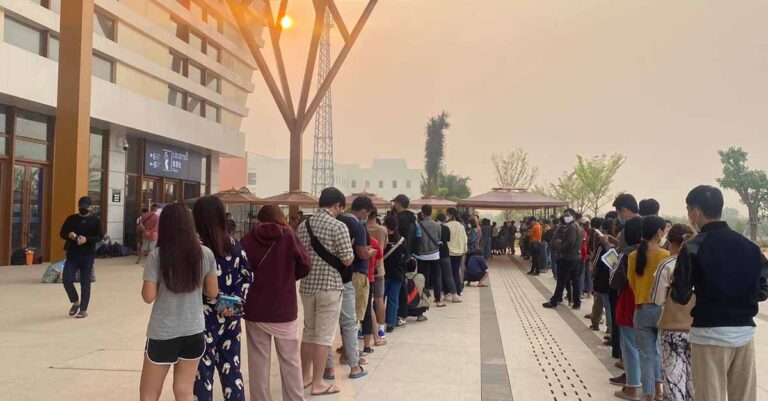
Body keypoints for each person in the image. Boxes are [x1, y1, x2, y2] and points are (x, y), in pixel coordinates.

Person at [671, 185, 767, 401]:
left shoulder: (693, 247)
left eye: (688, 209)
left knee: (709, 396)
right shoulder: (750, 247)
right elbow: (763, 288)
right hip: (743, 333)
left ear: (695, 212)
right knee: (743, 397)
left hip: (709, 335)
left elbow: (681, 296)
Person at [139, 204, 219, 401]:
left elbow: (148, 296)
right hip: (193, 330)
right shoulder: (205, 254)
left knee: (149, 393)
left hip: (163, 332)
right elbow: (212, 291)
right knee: (184, 391)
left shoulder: (157, 256)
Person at [240, 205, 311, 401]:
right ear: (279, 217)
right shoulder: (288, 236)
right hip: (283, 308)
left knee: (258, 361)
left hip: (255, 309)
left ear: (259, 219)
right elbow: (305, 264)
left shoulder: (247, 239)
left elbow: (241, 270)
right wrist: (288, 278)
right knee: (290, 360)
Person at [192, 196, 254, 401]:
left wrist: (217, 303)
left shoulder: (196, 249)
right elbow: (247, 278)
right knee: (232, 370)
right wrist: (233, 306)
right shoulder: (236, 246)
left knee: (203, 373)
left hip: (201, 320)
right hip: (230, 318)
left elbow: (192, 285)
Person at [296, 187, 354, 396]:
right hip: (329, 286)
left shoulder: (303, 226)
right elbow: (347, 259)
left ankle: (304, 377)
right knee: (323, 337)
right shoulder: (338, 227)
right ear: (337, 205)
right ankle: (319, 383)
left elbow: (298, 256)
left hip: (307, 286)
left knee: (308, 332)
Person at [650, 223, 695, 401]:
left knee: (673, 381)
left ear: (671, 243)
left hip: (672, 328)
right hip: (699, 329)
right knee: (694, 381)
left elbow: (657, 299)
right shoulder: (703, 259)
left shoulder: (668, 264)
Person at [628, 216, 669, 401]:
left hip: (641, 309)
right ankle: (660, 390)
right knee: (659, 351)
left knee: (646, 354)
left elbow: (632, 283)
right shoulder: (665, 255)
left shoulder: (633, 256)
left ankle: (649, 395)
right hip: (661, 309)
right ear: (659, 232)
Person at [59, 196, 103, 319]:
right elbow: (62, 233)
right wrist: (69, 235)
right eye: (81, 208)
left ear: (91, 207)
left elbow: (99, 237)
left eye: (85, 207)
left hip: (88, 255)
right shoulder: (71, 219)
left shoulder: (95, 221)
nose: (83, 210)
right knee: (67, 279)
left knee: (85, 282)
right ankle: (75, 301)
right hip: (72, 254)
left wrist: (87, 239)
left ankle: (83, 309)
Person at [543, 209, 584, 310]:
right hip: (575, 257)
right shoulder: (578, 227)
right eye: (564, 215)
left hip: (568, 257)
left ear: (573, 216)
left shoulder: (571, 227)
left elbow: (570, 242)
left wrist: (560, 248)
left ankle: (555, 301)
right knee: (575, 280)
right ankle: (577, 302)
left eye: (567, 215)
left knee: (561, 280)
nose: (566, 217)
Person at [391, 194, 420, 326]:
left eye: (395, 203)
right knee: (403, 285)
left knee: (400, 286)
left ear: (399, 203)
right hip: (408, 255)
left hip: (398, 256)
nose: (394, 206)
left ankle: (400, 314)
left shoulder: (399, 219)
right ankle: (402, 313)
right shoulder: (413, 220)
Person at [415, 205, 444, 307]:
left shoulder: (418, 225)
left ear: (422, 214)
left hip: (422, 255)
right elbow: (439, 238)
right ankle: (438, 299)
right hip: (435, 254)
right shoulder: (437, 226)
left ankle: (425, 296)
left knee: (423, 277)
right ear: (431, 213)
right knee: (437, 277)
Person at [367, 209, 389, 340]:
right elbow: (384, 246)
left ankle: (367, 328)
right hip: (380, 268)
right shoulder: (382, 230)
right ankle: (381, 329)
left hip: (365, 269)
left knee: (366, 302)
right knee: (379, 299)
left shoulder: (362, 228)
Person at [383, 216, 406, 332]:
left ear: (386, 225)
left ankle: (379, 322)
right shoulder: (401, 240)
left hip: (383, 274)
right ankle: (391, 324)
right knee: (393, 299)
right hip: (397, 274)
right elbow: (406, 257)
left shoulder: (383, 239)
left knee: (379, 299)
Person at [436, 213, 461, 303]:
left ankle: (438, 297)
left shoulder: (435, 227)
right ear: (444, 220)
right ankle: (454, 296)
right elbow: (448, 239)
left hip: (436, 253)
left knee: (438, 276)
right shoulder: (446, 228)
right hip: (445, 253)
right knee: (448, 275)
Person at [446, 208, 468, 298]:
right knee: (455, 272)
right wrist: (464, 250)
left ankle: (448, 291)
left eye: (447, 214)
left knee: (447, 273)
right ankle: (458, 291)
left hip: (448, 252)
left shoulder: (447, 225)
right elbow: (464, 239)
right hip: (459, 252)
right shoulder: (461, 226)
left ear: (451, 215)